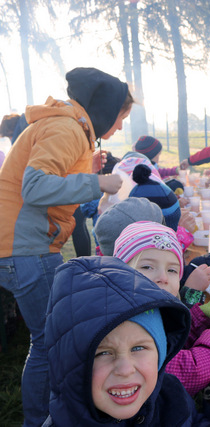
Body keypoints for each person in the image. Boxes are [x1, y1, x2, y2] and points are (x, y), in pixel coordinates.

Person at [0, 67, 130, 426]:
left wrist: (85, 171)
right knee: (49, 340)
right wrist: (97, 183)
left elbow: (48, 176)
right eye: (120, 117)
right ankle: (40, 420)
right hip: (27, 246)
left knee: (48, 336)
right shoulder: (66, 127)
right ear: (105, 109)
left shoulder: (68, 126)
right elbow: (35, 187)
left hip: (23, 242)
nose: (119, 127)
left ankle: (48, 413)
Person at [44, 256, 210, 426]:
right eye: (103, 353)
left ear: (160, 352)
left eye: (138, 348)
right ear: (69, 364)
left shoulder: (170, 397)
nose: (125, 370)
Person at [113, 222, 210, 397]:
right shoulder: (130, 324)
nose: (163, 277)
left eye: (171, 270)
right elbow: (186, 374)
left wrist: (196, 317)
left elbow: (172, 339)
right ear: (121, 271)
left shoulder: (151, 308)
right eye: (147, 267)